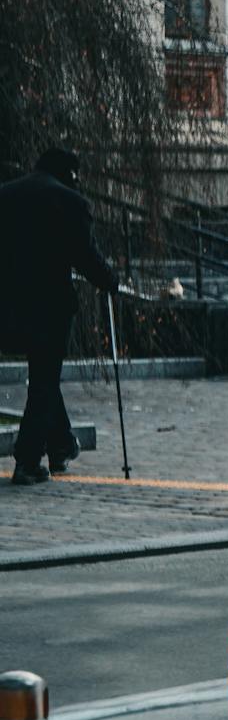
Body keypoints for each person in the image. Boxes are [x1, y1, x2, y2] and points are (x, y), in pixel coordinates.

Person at [0, 147, 117, 486]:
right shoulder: (68, 202)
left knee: (45, 382)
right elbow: (85, 255)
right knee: (44, 381)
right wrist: (110, 281)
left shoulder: (6, 195)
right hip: (48, 307)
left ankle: (61, 443)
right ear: (70, 173)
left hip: (7, 305)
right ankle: (27, 460)